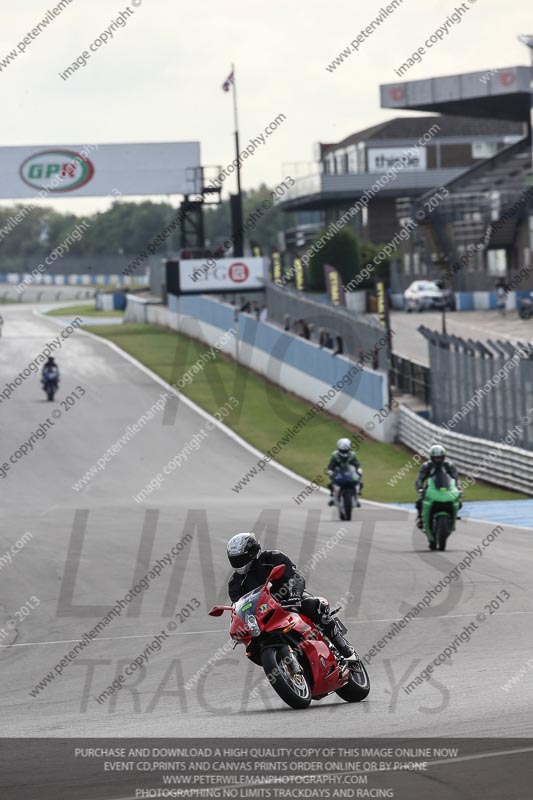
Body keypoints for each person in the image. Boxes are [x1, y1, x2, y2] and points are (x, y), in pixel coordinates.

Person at [226, 532, 360, 663]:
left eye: (240, 559)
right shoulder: (234, 582)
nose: (238, 563)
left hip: (290, 600)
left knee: (315, 606)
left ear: (252, 552)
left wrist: (295, 595)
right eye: (234, 559)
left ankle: (344, 649)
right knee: (252, 648)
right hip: (264, 615)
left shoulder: (273, 557)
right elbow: (238, 607)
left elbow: (296, 576)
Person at [415, 444, 462, 529]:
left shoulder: (449, 465)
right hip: (431, 488)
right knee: (419, 502)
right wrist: (420, 489)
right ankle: (420, 518)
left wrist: (459, 488)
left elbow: (456, 478)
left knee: (459, 502)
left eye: (440, 457)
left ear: (444, 457)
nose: (438, 459)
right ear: (431, 457)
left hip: (446, 488)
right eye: (436, 458)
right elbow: (419, 479)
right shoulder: (426, 466)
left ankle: (453, 516)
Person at [326, 437, 363, 507]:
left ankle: (357, 498)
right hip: (339, 473)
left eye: (346, 450)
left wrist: (359, 470)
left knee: (359, 482)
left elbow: (357, 464)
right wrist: (330, 471)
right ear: (339, 448)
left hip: (350, 473)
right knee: (331, 484)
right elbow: (331, 465)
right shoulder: (335, 455)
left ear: (349, 448)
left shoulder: (352, 455)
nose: (344, 452)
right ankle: (332, 498)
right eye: (343, 450)